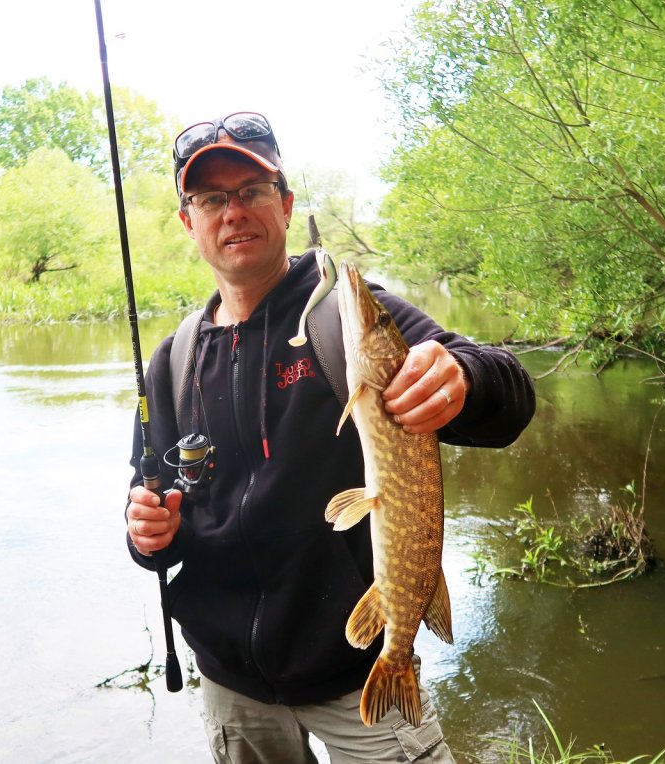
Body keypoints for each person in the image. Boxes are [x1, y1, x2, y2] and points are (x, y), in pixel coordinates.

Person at [125, 111, 536, 763]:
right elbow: (152, 498)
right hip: (231, 685)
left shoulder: (344, 320)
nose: (233, 212)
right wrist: (145, 534)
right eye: (211, 199)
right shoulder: (172, 361)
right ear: (189, 221)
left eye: (252, 192)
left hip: (353, 676)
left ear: (284, 206)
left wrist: (464, 378)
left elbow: (510, 394)